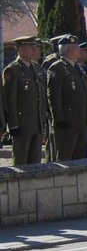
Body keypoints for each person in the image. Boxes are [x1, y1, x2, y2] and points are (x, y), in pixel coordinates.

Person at [4, 36, 50, 165]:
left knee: (35, 163)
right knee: (21, 162)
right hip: (22, 125)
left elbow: (41, 98)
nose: (34, 50)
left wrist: (43, 123)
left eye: (35, 47)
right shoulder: (13, 70)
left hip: (37, 124)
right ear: (20, 49)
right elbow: (10, 100)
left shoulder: (36, 69)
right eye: (31, 47)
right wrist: (13, 125)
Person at [47, 35, 87, 161]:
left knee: (79, 159)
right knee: (64, 157)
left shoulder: (78, 68)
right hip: (67, 122)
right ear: (70, 50)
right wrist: (59, 118)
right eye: (77, 48)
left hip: (81, 121)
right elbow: (54, 96)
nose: (80, 51)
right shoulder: (58, 68)